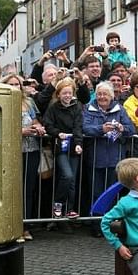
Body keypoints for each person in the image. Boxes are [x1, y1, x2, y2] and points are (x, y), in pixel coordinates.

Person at [82, 81, 134, 236]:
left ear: (111, 96)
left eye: (105, 94)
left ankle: (110, 225)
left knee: (111, 194)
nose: (102, 97)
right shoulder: (88, 109)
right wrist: (101, 129)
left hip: (114, 159)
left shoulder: (120, 109)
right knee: (96, 193)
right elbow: (84, 127)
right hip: (95, 158)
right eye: (99, 94)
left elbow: (131, 129)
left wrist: (121, 128)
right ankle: (97, 225)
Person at [1, 74, 46, 240]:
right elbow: (0, 126)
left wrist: (39, 128)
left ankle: (25, 226)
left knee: (28, 188)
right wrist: (20, 132)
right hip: (10, 151)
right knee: (12, 189)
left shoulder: (28, 102)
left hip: (31, 149)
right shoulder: (1, 102)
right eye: (11, 84)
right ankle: (11, 227)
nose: (15, 87)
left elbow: (35, 121)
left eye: (17, 84)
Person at [43, 77, 83, 219]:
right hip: (60, 146)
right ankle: (58, 203)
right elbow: (48, 124)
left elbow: (78, 126)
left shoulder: (77, 106)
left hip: (73, 146)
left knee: (72, 181)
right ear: (58, 94)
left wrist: (78, 144)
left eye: (69, 93)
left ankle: (70, 209)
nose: (67, 96)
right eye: (64, 93)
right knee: (67, 175)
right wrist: (57, 133)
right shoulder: (53, 107)